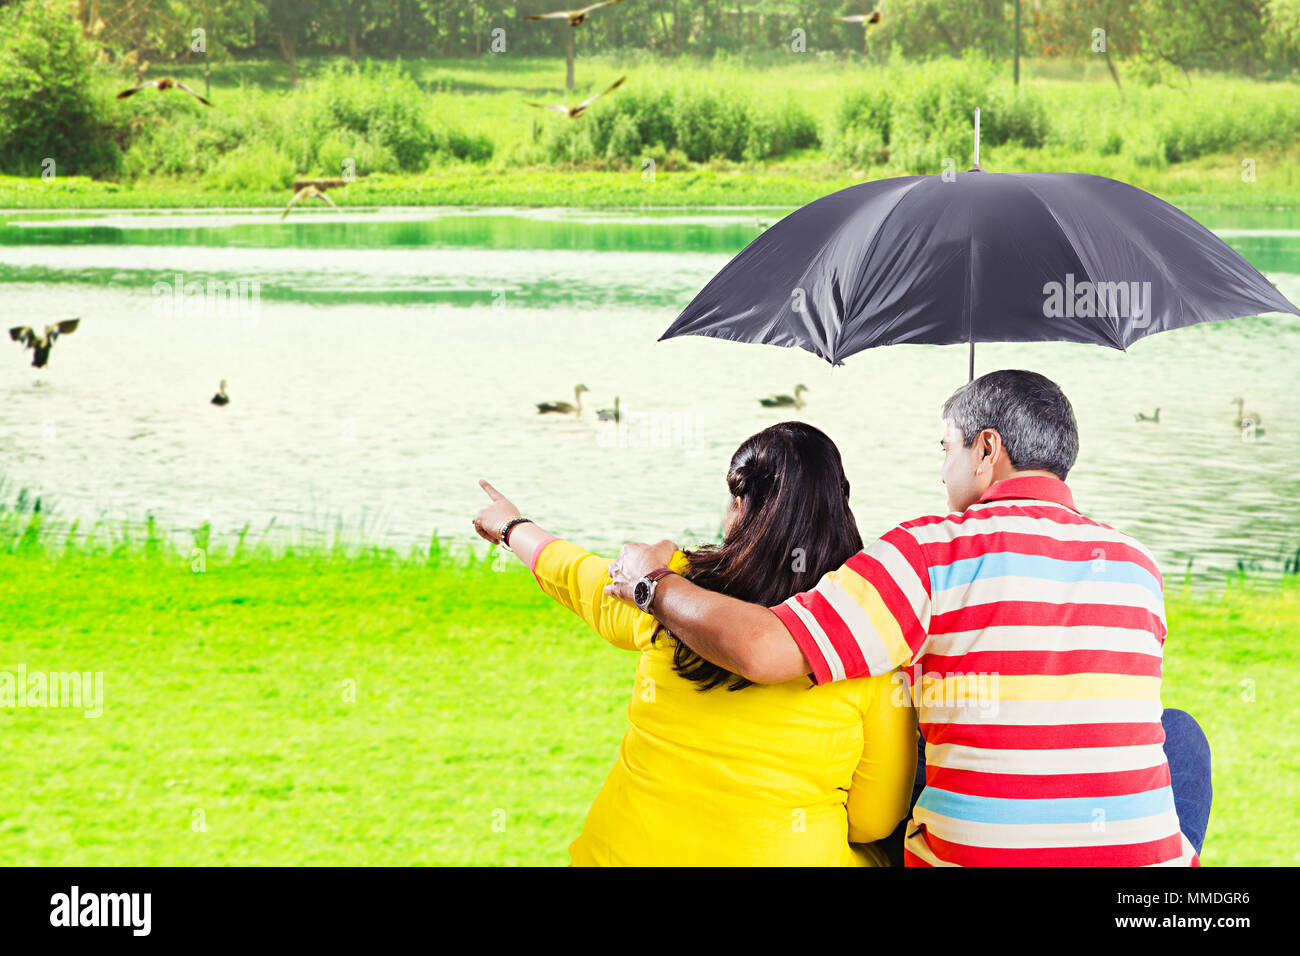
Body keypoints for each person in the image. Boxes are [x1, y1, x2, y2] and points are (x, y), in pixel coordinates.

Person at [604, 370, 1212, 866]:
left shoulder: (925, 550)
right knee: (1177, 732)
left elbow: (765, 650)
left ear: (987, 449)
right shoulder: (1138, 564)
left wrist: (652, 584)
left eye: (946, 448)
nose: (941, 468)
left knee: (904, 722)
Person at [472, 422, 917, 866]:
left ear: (741, 505)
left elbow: (574, 572)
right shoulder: (865, 640)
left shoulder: (666, 585)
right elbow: (873, 820)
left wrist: (511, 525)